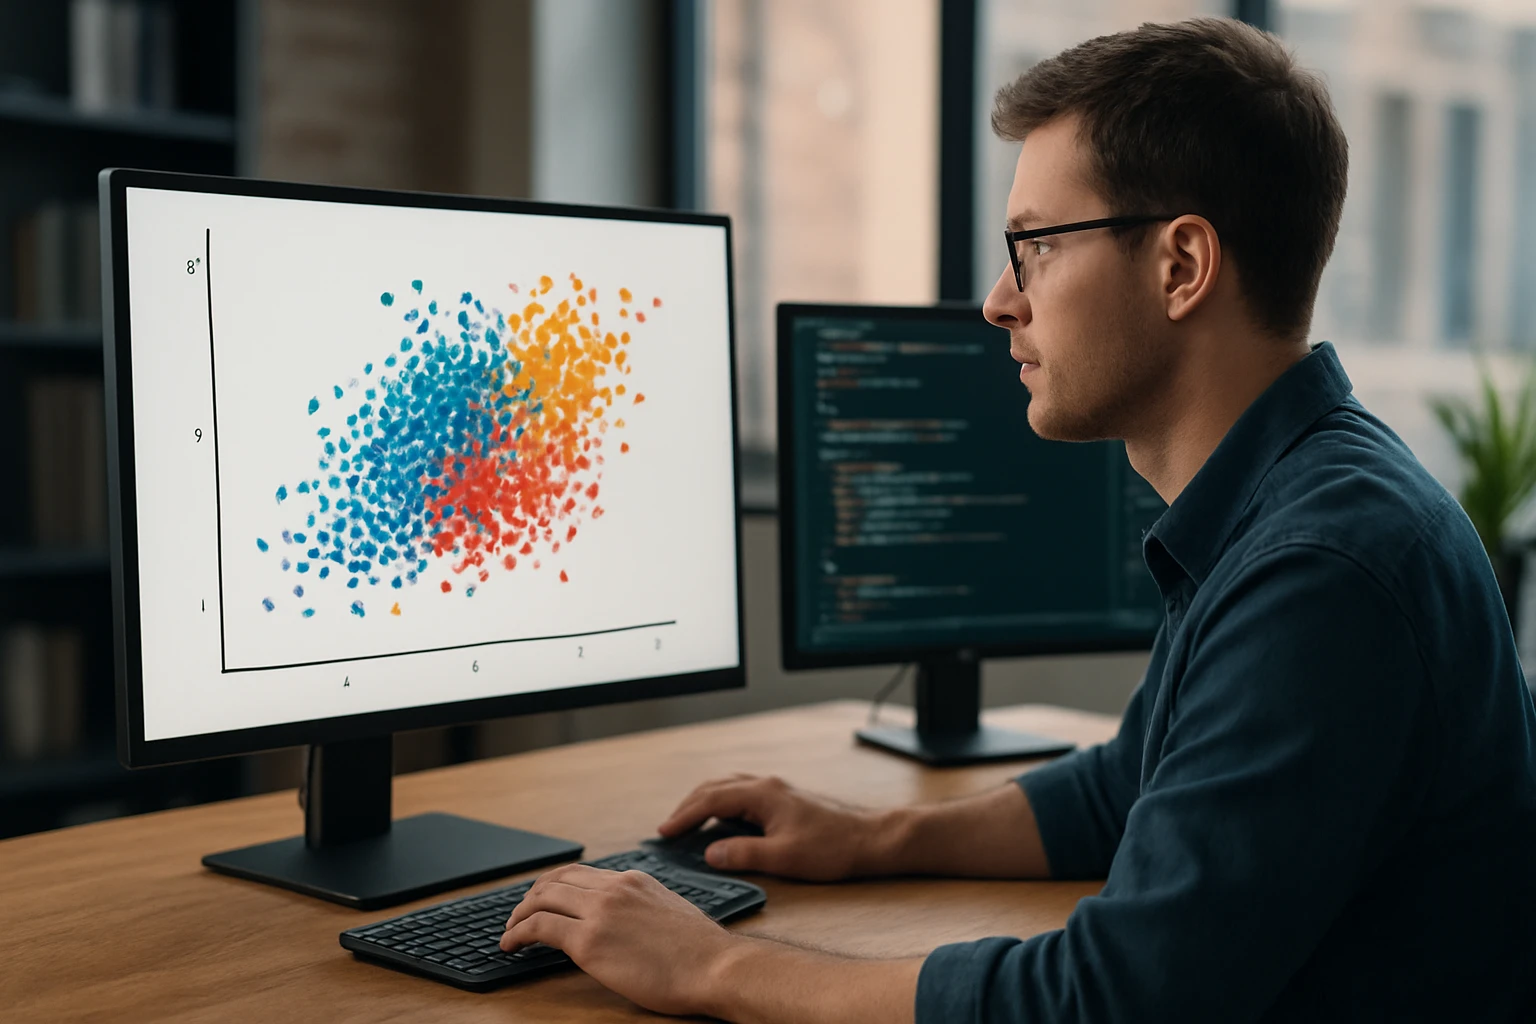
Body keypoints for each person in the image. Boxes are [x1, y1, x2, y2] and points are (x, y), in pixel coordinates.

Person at [499, 17, 1536, 1022]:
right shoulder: (1293, 498)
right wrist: (869, 837)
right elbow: (1125, 790)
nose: (1000, 298)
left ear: (1182, 266)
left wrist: (712, 968)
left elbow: (1113, 998)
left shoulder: (1323, 567)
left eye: (1035, 244)